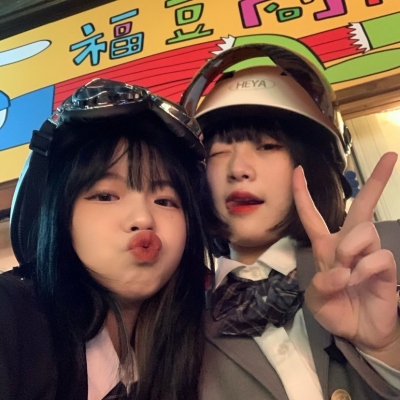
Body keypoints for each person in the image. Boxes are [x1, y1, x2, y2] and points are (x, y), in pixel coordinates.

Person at [181, 44, 400, 399]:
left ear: (312, 163)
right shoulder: (176, 321)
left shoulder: (389, 255)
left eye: (267, 146)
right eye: (218, 152)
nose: (239, 169)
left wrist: (388, 349)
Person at [0, 78, 215, 400]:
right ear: (56, 214)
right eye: (105, 196)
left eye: (165, 200)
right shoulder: (11, 315)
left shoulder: (204, 342)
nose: (143, 218)